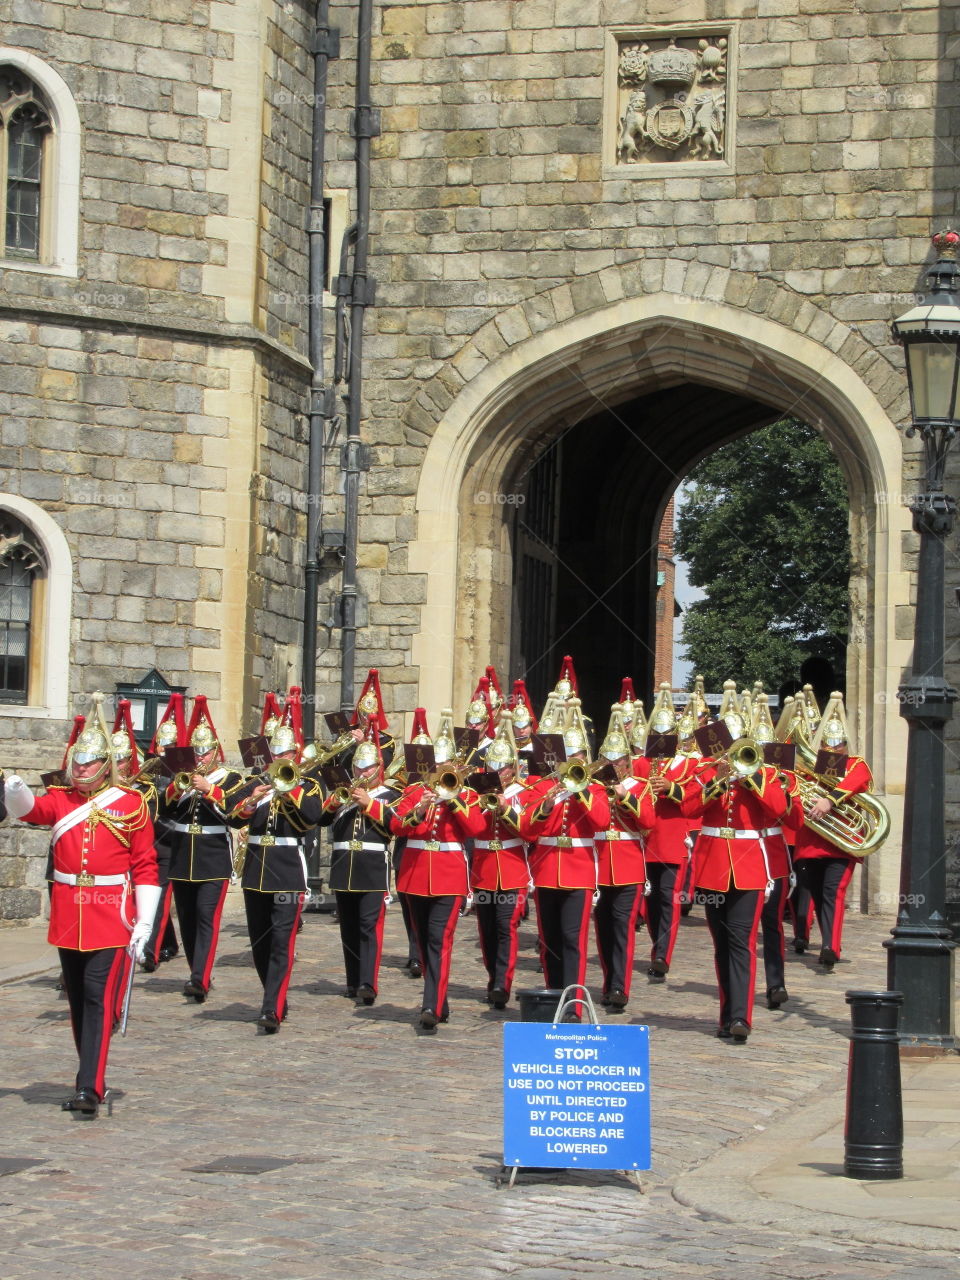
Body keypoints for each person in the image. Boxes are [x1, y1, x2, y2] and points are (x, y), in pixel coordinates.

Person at [4, 700, 160, 1117]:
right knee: (78, 999)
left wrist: (145, 920)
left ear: (106, 765)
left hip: (112, 915)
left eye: (90, 763)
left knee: (96, 997)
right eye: (77, 761)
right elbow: (33, 813)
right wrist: (16, 789)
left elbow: (145, 865)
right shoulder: (61, 800)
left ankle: (90, 1086)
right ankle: (89, 1072)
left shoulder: (129, 804)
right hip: (70, 914)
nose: (81, 768)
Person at [683, 728, 792, 1042]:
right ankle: (726, 1015)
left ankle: (741, 1017)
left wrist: (752, 778)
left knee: (742, 943)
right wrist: (716, 781)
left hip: (749, 867)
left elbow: (779, 808)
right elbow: (689, 809)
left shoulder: (765, 774)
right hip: (712, 867)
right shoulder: (708, 771)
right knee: (722, 946)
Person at [230, 701, 322, 1032]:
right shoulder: (255, 782)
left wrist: (289, 790)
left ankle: (271, 1007)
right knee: (260, 943)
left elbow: (313, 817)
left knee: (282, 942)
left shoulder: (307, 784)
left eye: (284, 755)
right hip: (256, 871)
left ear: (294, 757)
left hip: (287, 872)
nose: (278, 761)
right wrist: (253, 799)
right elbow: (231, 813)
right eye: (275, 755)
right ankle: (274, 994)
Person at [518, 699, 611, 1020]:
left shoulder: (595, 789)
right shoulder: (544, 787)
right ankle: (553, 998)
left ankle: (573, 1004)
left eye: (578, 758)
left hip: (579, 871)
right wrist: (546, 805)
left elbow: (601, 821)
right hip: (546, 871)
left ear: (585, 758)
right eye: (569, 758)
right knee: (550, 941)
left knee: (573, 940)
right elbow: (527, 828)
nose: (574, 762)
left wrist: (580, 789)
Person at [390, 754, 485, 1031]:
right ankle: (440, 1002)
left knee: (439, 940)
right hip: (415, 875)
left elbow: (475, 828)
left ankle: (430, 1004)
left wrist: (453, 800)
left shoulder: (467, 795)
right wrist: (419, 810)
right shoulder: (414, 792)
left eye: (449, 767)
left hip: (449, 877)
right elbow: (397, 826)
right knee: (423, 942)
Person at [162, 696, 245, 1003]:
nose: (200, 757)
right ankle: (196, 969)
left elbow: (235, 813)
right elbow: (165, 810)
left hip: (213, 858)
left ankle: (200, 977)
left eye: (205, 750)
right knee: (186, 918)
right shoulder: (180, 779)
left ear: (215, 751)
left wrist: (209, 790)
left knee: (206, 916)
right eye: (196, 751)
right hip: (183, 856)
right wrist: (177, 788)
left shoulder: (230, 778)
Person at [793, 693, 874, 972]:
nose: (833, 748)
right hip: (810, 842)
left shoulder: (856, 763)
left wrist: (830, 799)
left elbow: (859, 779)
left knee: (832, 892)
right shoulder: (807, 767)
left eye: (838, 743)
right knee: (815, 891)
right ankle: (808, 936)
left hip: (840, 845)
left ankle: (830, 946)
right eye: (829, 742)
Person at [320, 730, 401, 1006]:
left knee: (369, 926)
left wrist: (369, 804)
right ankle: (352, 981)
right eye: (357, 767)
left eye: (367, 767)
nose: (361, 772)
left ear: (379, 769)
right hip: (344, 867)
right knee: (349, 928)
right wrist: (333, 802)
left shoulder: (389, 794)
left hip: (372, 867)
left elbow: (395, 825)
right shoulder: (344, 791)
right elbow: (321, 820)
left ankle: (368, 982)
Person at [592, 707, 656, 1012]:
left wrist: (623, 795)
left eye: (617, 761)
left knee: (622, 927)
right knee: (603, 928)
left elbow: (647, 822)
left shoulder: (639, 788)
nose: (613, 766)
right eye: (608, 761)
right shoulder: (592, 788)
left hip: (628, 867)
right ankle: (608, 981)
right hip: (598, 866)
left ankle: (620, 985)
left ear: (628, 763)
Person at [470, 713, 532, 1009]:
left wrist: (506, 809)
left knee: (505, 925)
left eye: (503, 768)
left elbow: (529, 831)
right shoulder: (477, 794)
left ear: (513, 768)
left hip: (511, 867)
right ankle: (492, 974)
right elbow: (470, 827)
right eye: (493, 767)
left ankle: (501, 983)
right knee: (487, 929)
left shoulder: (522, 793)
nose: (498, 773)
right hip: (483, 868)